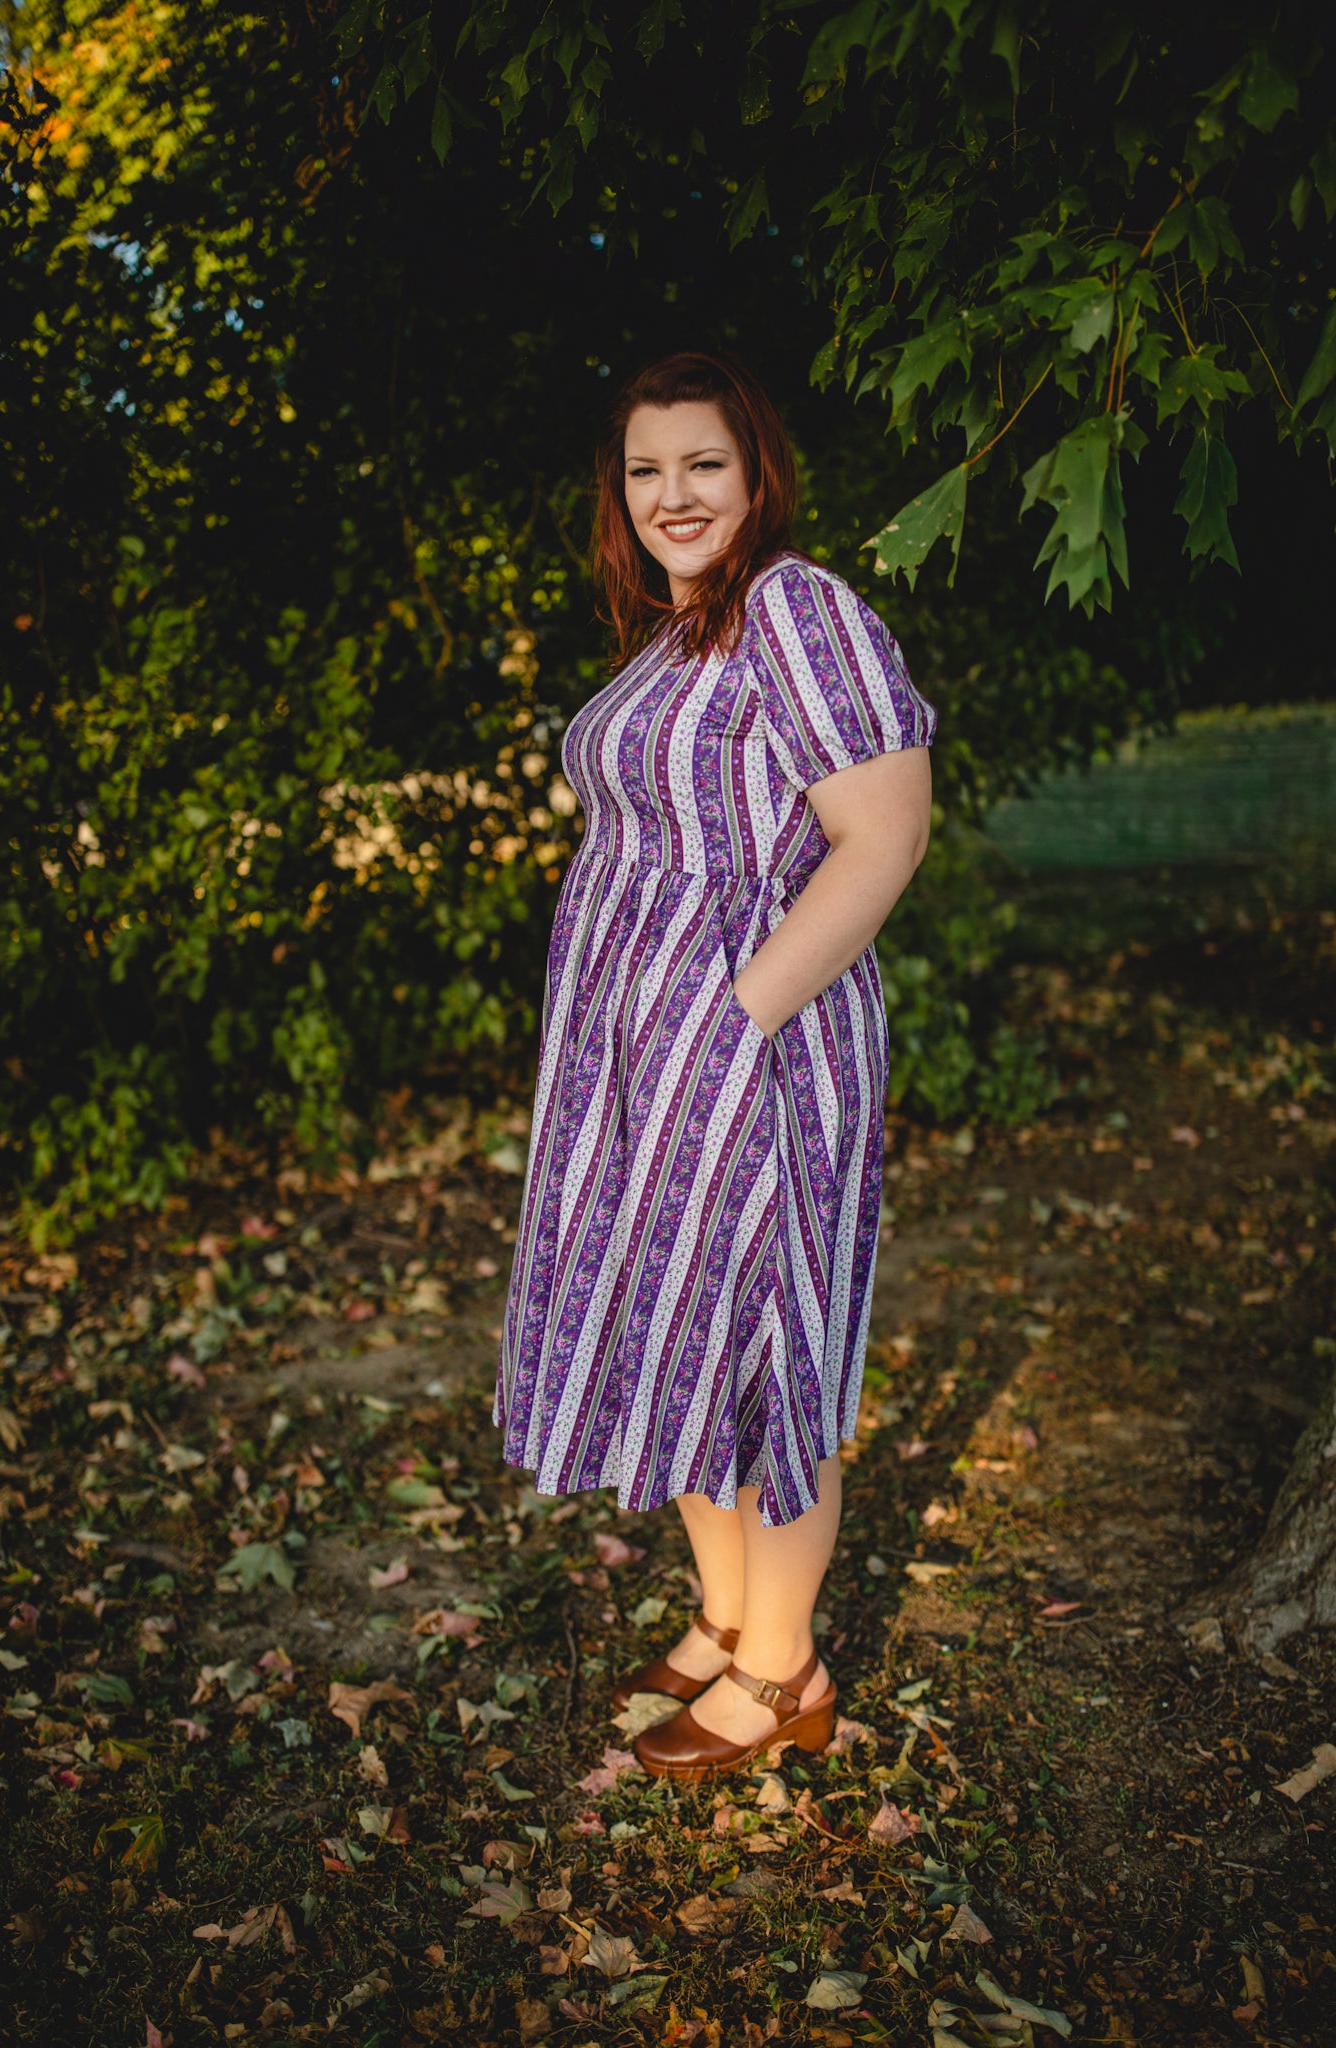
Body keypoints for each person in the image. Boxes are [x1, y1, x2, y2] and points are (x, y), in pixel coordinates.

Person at [494, 351, 935, 1781]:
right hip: (638, 1054)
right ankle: (727, 1613)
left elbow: (881, 840)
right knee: (666, 1322)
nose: (671, 495)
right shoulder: (673, 641)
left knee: (758, 1341)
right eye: (644, 470)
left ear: (756, 476)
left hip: (757, 1045)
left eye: (701, 465)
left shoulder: (796, 610)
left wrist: (731, 1018)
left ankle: (783, 1669)